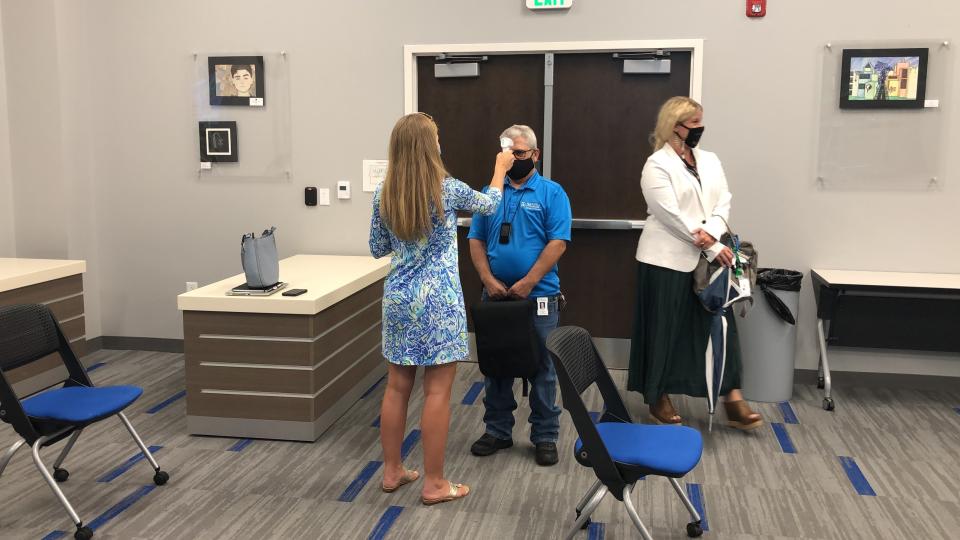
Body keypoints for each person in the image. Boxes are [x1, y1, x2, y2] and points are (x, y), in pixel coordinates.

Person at [369, 113, 514, 505]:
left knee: (397, 387)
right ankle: (434, 483)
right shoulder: (447, 190)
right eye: (436, 136)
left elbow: (377, 248)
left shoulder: (384, 192)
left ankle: (392, 470)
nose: (439, 142)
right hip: (438, 303)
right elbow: (491, 205)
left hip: (398, 300)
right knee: (437, 392)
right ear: (429, 146)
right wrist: (499, 168)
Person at [627, 96, 763, 430]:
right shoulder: (656, 165)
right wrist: (706, 243)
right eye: (695, 125)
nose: (701, 129)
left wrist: (712, 238)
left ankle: (733, 398)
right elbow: (668, 213)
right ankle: (656, 396)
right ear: (675, 127)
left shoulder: (710, 160)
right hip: (665, 260)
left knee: (720, 324)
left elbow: (722, 202)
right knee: (663, 330)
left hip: (707, 258)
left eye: (702, 123)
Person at [467, 125, 572, 466]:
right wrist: (486, 278)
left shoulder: (552, 193)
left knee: (542, 368)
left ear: (536, 155)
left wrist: (528, 281)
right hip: (495, 297)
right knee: (496, 366)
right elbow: (476, 239)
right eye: (508, 153)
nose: (513, 160)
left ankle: (545, 435)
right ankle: (497, 430)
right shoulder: (490, 192)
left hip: (539, 296)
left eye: (521, 154)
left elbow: (558, 242)